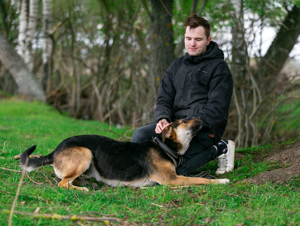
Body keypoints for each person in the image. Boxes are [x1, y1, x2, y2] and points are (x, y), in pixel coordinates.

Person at [132, 15, 235, 176]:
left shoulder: (219, 68)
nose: (192, 44)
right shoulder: (176, 65)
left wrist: (189, 126)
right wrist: (162, 118)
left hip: (203, 128)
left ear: (208, 40)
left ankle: (221, 148)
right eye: (188, 38)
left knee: (174, 171)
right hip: (174, 127)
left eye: (198, 39)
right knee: (139, 136)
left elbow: (217, 110)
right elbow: (164, 99)